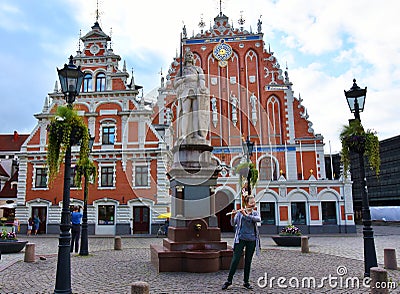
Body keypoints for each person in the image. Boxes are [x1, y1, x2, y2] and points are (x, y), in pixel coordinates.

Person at [222, 195, 261, 290]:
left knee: (248, 261)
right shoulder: (240, 213)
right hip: (240, 239)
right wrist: (232, 216)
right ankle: (229, 280)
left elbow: (258, 219)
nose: (253, 204)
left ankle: (246, 282)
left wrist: (246, 215)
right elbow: (233, 223)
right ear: (246, 203)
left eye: (254, 202)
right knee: (235, 260)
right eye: (251, 203)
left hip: (251, 240)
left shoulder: (255, 213)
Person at [174, 49, 210, 143]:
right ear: (185, 58)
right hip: (185, 91)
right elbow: (175, 83)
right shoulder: (182, 70)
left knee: (196, 113)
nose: (190, 57)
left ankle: (195, 134)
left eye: (191, 56)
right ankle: (184, 134)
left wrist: (202, 88)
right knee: (186, 112)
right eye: (188, 55)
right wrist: (183, 79)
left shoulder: (198, 69)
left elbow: (202, 79)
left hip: (196, 91)